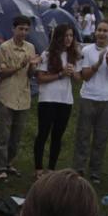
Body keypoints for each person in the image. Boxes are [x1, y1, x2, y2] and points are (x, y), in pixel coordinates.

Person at [72, 20, 108, 183]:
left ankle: (95, 171)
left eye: (105, 31)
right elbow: (84, 76)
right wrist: (98, 63)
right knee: (83, 135)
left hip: (107, 99)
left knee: (101, 137)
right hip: (88, 97)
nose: (101, 33)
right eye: (99, 30)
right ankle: (79, 168)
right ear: (95, 32)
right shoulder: (87, 50)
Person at [32, 24, 81, 173]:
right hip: (48, 99)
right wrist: (60, 74)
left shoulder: (73, 55)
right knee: (43, 133)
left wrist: (72, 73)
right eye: (66, 36)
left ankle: (51, 168)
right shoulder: (47, 54)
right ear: (58, 37)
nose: (68, 39)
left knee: (57, 136)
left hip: (65, 100)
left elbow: (79, 79)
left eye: (71, 36)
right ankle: (39, 168)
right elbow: (40, 78)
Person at [0, 16, 36, 181]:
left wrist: (32, 66)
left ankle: (9, 163)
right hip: (7, 95)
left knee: (16, 136)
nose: (23, 32)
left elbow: (31, 75)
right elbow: (2, 72)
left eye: (26, 29)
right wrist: (20, 65)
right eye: (20, 29)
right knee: (3, 134)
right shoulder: (5, 47)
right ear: (13, 29)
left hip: (23, 96)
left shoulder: (30, 48)